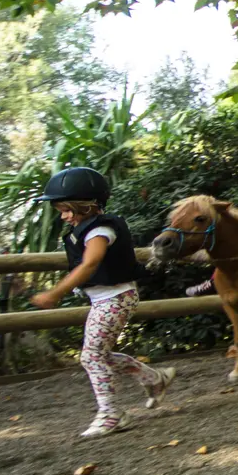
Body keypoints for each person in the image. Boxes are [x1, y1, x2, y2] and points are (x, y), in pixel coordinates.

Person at [28, 167, 176, 439]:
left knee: (91, 356)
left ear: (87, 204)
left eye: (67, 209)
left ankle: (111, 413)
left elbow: (91, 263)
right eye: (61, 210)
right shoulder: (85, 228)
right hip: (106, 299)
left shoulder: (101, 231)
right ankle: (155, 379)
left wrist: (56, 293)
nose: (64, 216)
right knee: (100, 355)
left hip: (115, 298)